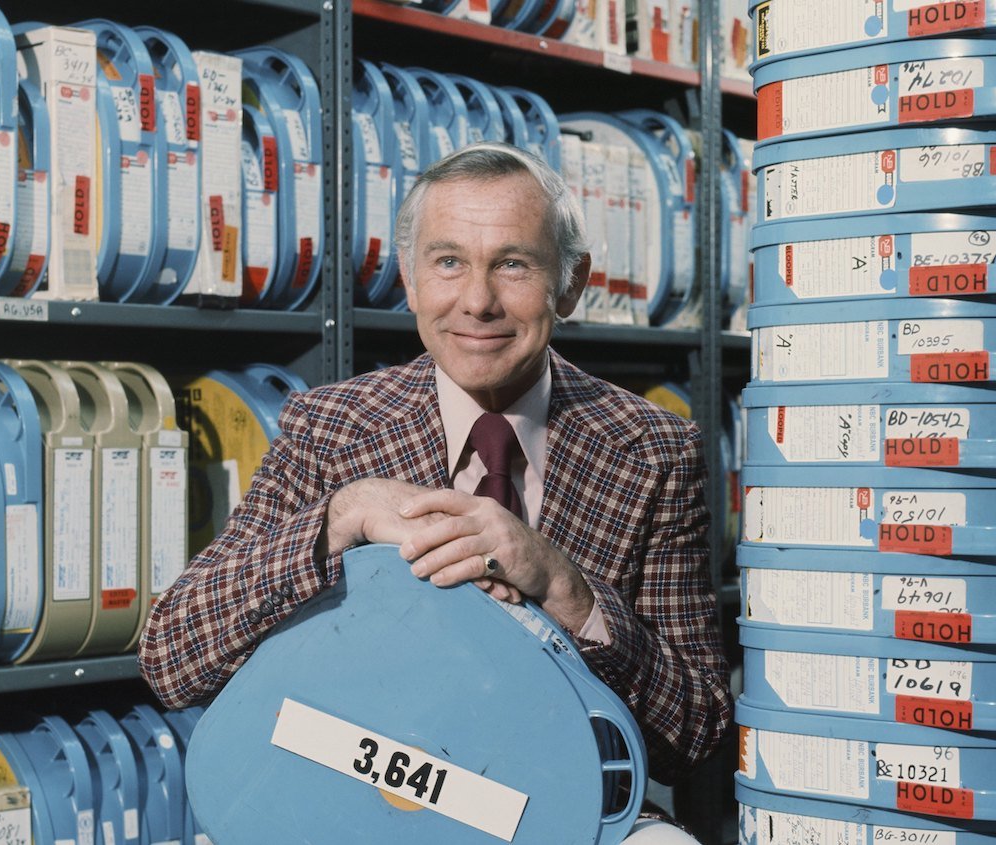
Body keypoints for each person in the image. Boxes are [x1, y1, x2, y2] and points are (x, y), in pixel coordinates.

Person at [139, 142, 732, 841]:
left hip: (555, 805)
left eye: (513, 264)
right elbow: (173, 657)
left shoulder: (654, 450)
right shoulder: (331, 428)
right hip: (356, 796)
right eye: (448, 262)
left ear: (570, 285)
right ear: (412, 282)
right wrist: (340, 518)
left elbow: (694, 730)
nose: (477, 301)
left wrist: (567, 588)